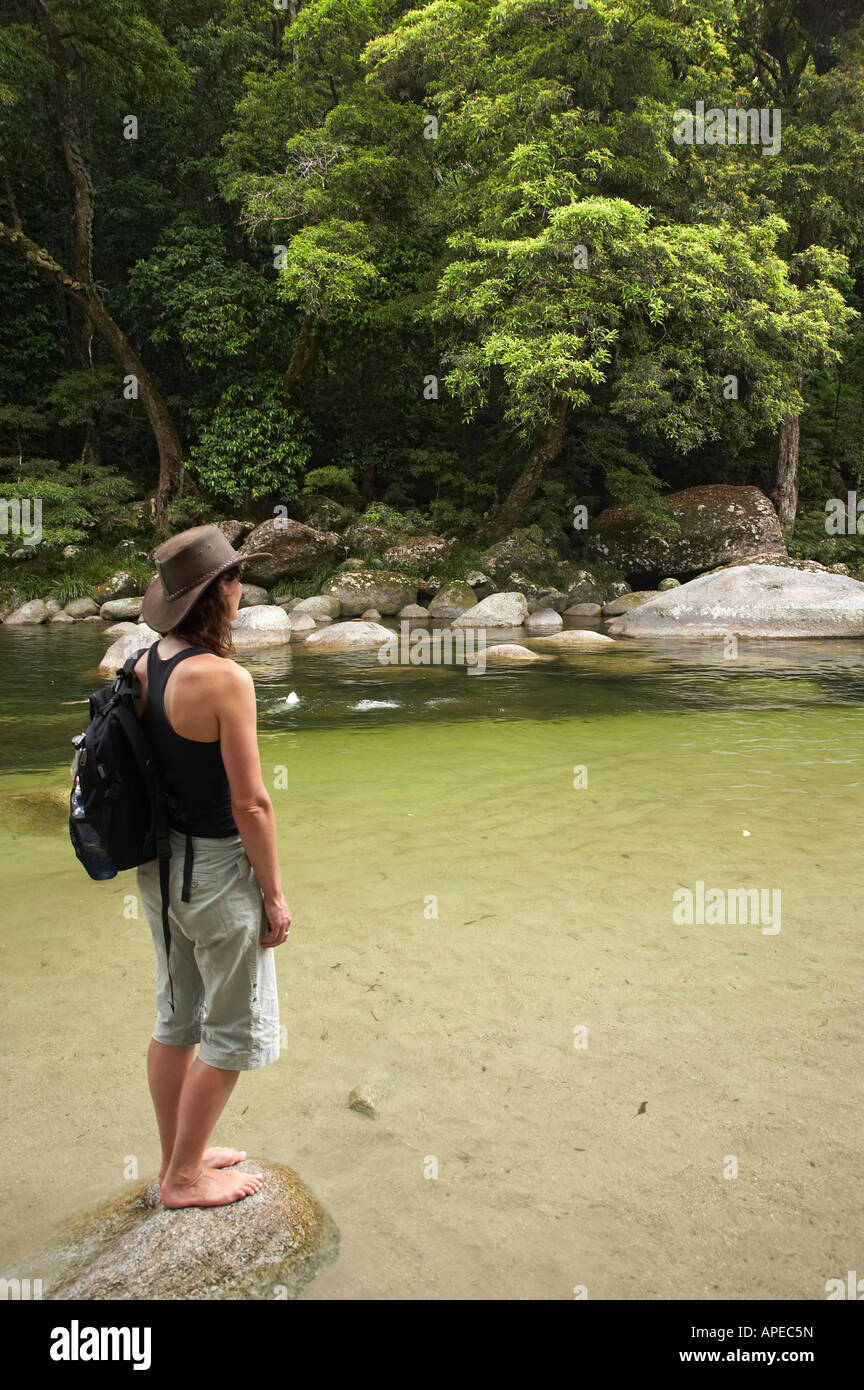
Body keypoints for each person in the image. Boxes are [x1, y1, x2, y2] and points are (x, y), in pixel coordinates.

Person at [132, 525, 292, 1209]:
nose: (240, 589)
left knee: (177, 1020)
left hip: (159, 869)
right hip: (217, 874)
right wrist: (275, 895)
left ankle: (178, 1155)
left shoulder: (146, 664)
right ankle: (185, 1178)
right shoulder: (225, 679)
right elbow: (251, 803)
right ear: (216, 594)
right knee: (231, 1029)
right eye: (234, 579)